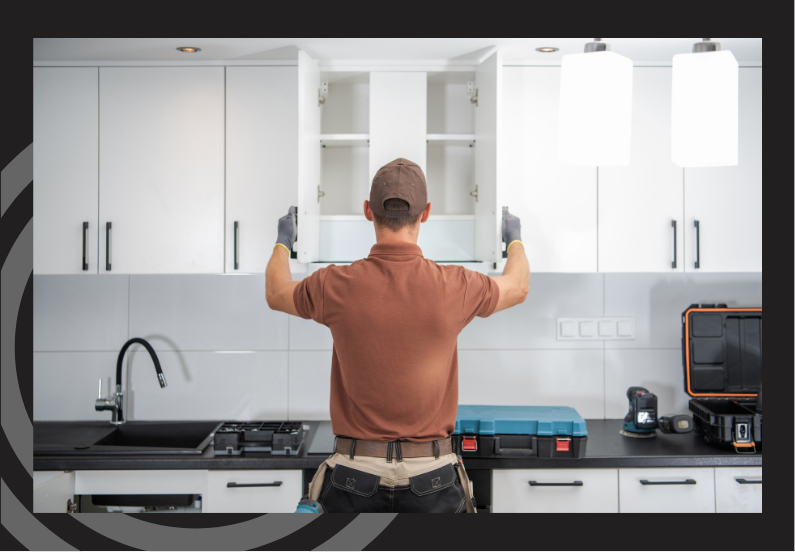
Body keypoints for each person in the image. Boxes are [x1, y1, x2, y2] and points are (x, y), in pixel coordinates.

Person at [266, 158, 529, 513]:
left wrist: (284, 241)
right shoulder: (456, 285)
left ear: (367, 211)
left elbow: (276, 292)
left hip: (353, 477)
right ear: (426, 213)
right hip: (432, 478)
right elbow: (517, 286)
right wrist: (514, 239)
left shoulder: (333, 284)